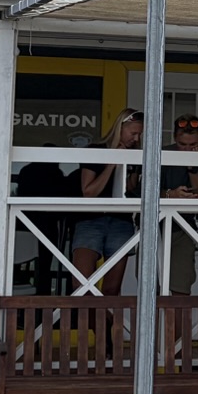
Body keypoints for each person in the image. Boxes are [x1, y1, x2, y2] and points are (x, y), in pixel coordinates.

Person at [72, 109, 142, 293]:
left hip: (121, 220)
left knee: (112, 289)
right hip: (89, 219)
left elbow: (130, 189)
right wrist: (112, 163)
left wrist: (133, 165)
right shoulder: (95, 150)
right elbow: (89, 192)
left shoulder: (134, 153)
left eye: (140, 134)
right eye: (133, 133)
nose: (136, 138)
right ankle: (86, 314)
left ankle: (104, 314)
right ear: (120, 128)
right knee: (81, 285)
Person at [160, 114, 198, 292]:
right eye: (182, 144)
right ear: (174, 137)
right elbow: (144, 190)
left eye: (192, 145)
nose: (187, 149)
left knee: (181, 287)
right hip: (155, 226)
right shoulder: (162, 152)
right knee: (151, 286)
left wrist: (193, 168)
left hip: (184, 227)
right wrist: (171, 194)